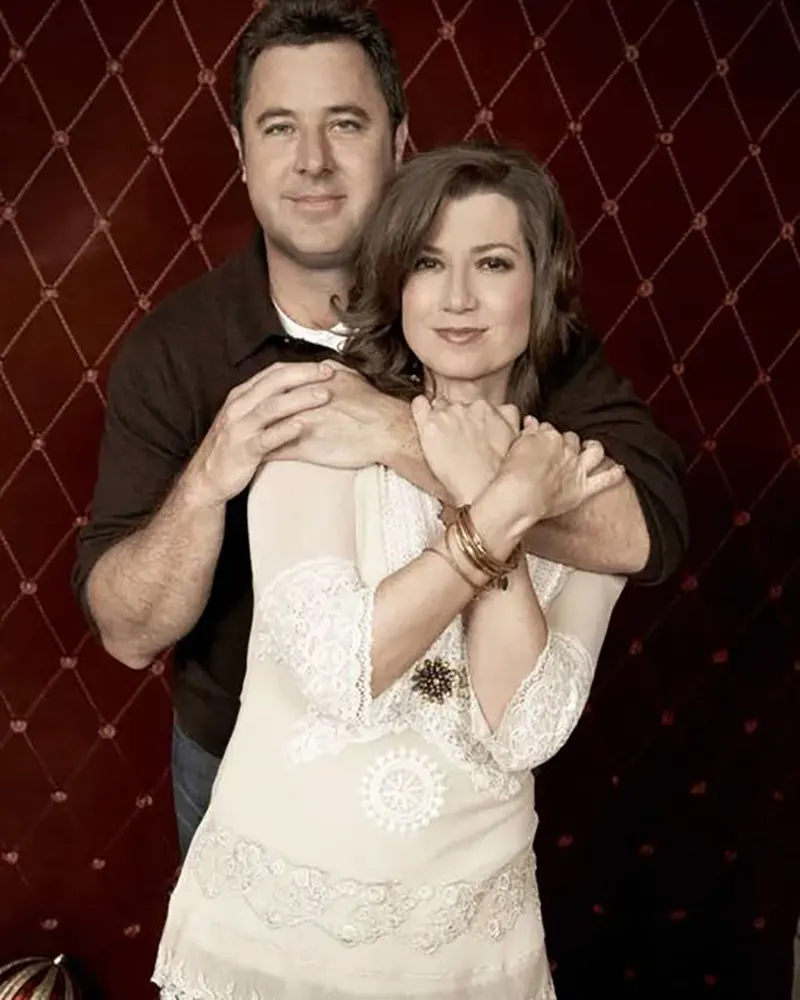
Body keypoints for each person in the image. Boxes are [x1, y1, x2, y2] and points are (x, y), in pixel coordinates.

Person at [72, 0, 687, 860]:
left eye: (345, 123)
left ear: (399, 143)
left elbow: (648, 531)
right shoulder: (176, 350)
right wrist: (208, 481)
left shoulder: (496, 323)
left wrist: (401, 436)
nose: (312, 160)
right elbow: (129, 632)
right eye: (280, 127)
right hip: (243, 762)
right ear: (242, 153)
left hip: (458, 774)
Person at [153, 141, 628, 999]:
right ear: (395, 282)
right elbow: (344, 668)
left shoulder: (574, 479)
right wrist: (496, 507)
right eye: (427, 263)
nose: (456, 297)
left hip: (467, 947)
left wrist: (495, 488)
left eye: (493, 263)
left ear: (543, 283)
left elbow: (523, 730)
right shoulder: (321, 424)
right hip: (274, 937)